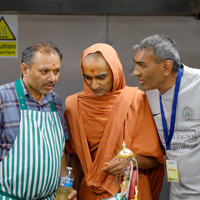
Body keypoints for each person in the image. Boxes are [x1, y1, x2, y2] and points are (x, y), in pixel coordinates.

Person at [64, 43, 164, 200]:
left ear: (115, 72)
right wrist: (70, 192)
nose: (94, 85)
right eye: (88, 78)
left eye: (101, 77)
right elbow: (75, 160)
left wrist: (130, 161)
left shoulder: (136, 101)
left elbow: (156, 159)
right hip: (87, 193)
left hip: (129, 191)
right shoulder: (73, 105)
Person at [0, 41, 77, 199]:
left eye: (56, 72)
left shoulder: (55, 101)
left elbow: (60, 151)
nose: (52, 79)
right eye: (44, 71)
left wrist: (64, 188)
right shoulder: (3, 97)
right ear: (25, 69)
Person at [133, 34, 200, 200]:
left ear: (166, 67)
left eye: (142, 65)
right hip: (177, 192)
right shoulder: (150, 92)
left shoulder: (197, 84)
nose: (135, 72)